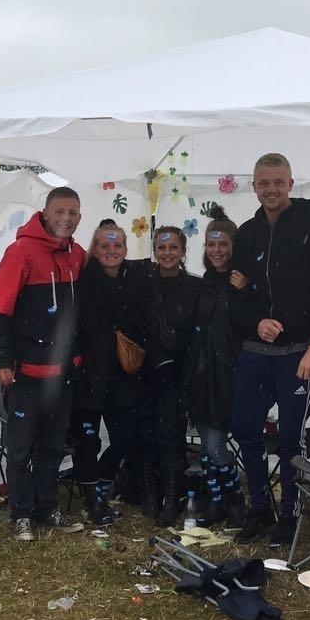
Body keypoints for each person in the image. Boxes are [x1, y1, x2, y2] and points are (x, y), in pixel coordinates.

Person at [231, 152, 310, 544]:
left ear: (291, 184)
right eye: (264, 183)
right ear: (254, 186)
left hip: (298, 354)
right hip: (254, 352)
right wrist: (255, 322)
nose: (271, 189)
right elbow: (237, 294)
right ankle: (260, 510)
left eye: (278, 182)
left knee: (290, 439)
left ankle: (289, 515)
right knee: (246, 431)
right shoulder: (247, 232)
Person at [0, 187, 85, 541]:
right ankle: (21, 514)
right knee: (20, 448)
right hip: (25, 374)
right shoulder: (21, 252)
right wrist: (2, 358)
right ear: (46, 212)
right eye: (60, 212)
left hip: (63, 375)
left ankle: (46, 507)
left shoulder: (77, 255)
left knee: (53, 447)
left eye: (73, 213)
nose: (66, 219)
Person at [70, 220, 149, 524]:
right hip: (88, 374)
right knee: (87, 442)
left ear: (126, 249)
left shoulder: (136, 278)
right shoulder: (82, 280)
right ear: (95, 248)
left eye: (117, 245)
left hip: (122, 375)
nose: (111, 250)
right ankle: (94, 502)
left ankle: (102, 487)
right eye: (105, 245)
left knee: (125, 437)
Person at [181, 205, 247, 528]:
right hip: (202, 376)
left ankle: (235, 502)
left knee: (216, 447)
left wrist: (243, 292)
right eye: (211, 244)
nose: (216, 250)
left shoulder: (242, 284)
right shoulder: (204, 283)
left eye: (223, 244)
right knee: (208, 448)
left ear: (233, 246)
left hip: (230, 377)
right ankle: (217, 504)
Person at [138, 225, 200, 526]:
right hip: (144, 372)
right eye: (161, 247)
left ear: (183, 251)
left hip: (177, 374)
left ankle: (172, 499)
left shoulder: (195, 286)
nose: (167, 253)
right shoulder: (142, 283)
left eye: (173, 247)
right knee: (146, 435)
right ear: (154, 251)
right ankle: (150, 495)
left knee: (171, 437)